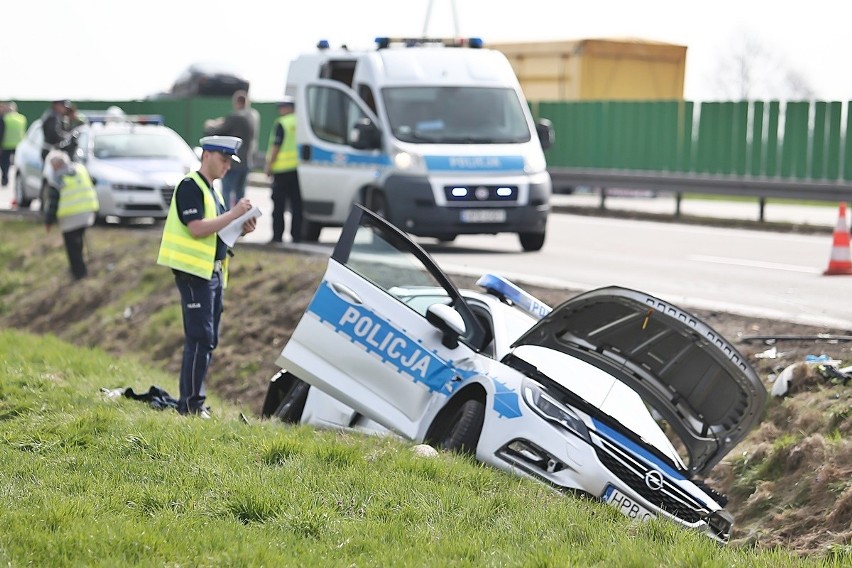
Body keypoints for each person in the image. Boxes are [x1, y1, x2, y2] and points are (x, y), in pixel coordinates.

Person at [156, 135, 257, 418]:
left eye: (230, 162)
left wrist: (242, 227)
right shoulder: (190, 186)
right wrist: (236, 212)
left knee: (207, 340)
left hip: (211, 274)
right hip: (193, 274)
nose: (227, 167)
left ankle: (193, 402)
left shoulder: (214, 191)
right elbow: (197, 228)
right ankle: (190, 405)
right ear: (207, 155)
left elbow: (219, 232)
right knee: (200, 339)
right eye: (224, 160)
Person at [43, 150, 99, 280]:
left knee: (72, 247)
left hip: (70, 218)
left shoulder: (57, 178)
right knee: (78, 242)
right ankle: (81, 271)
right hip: (88, 213)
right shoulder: (81, 169)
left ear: (55, 165)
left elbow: (53, 203)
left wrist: (48, 222)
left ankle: (78, 273)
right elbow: (93, 181)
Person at [203, 90, 254, 209]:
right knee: (240, 194)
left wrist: (210, 125)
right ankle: (239, 218)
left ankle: (226, 218)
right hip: (247, 161)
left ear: (236, 102)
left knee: (226, 192)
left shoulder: (235, 117)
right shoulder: (253, 116)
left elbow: (218, 132)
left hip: (234, 162)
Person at [265, 97, 302, 243]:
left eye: (281, 107)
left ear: (288, 108)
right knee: (296, 205)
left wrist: (269, 166)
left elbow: (276, 146)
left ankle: (277, 236)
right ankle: (297, 236)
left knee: (279, 205)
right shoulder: (300, 122)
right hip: (297, 170)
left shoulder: (282, 123)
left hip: (281, 170)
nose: (280, 110)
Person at [1, 101, 28, 187]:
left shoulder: (4, 118)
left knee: (5, 164)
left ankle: (5, 179)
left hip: (6, 144)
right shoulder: (22, 118)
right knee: (19, 163)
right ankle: (20, 180)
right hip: (19, 144)